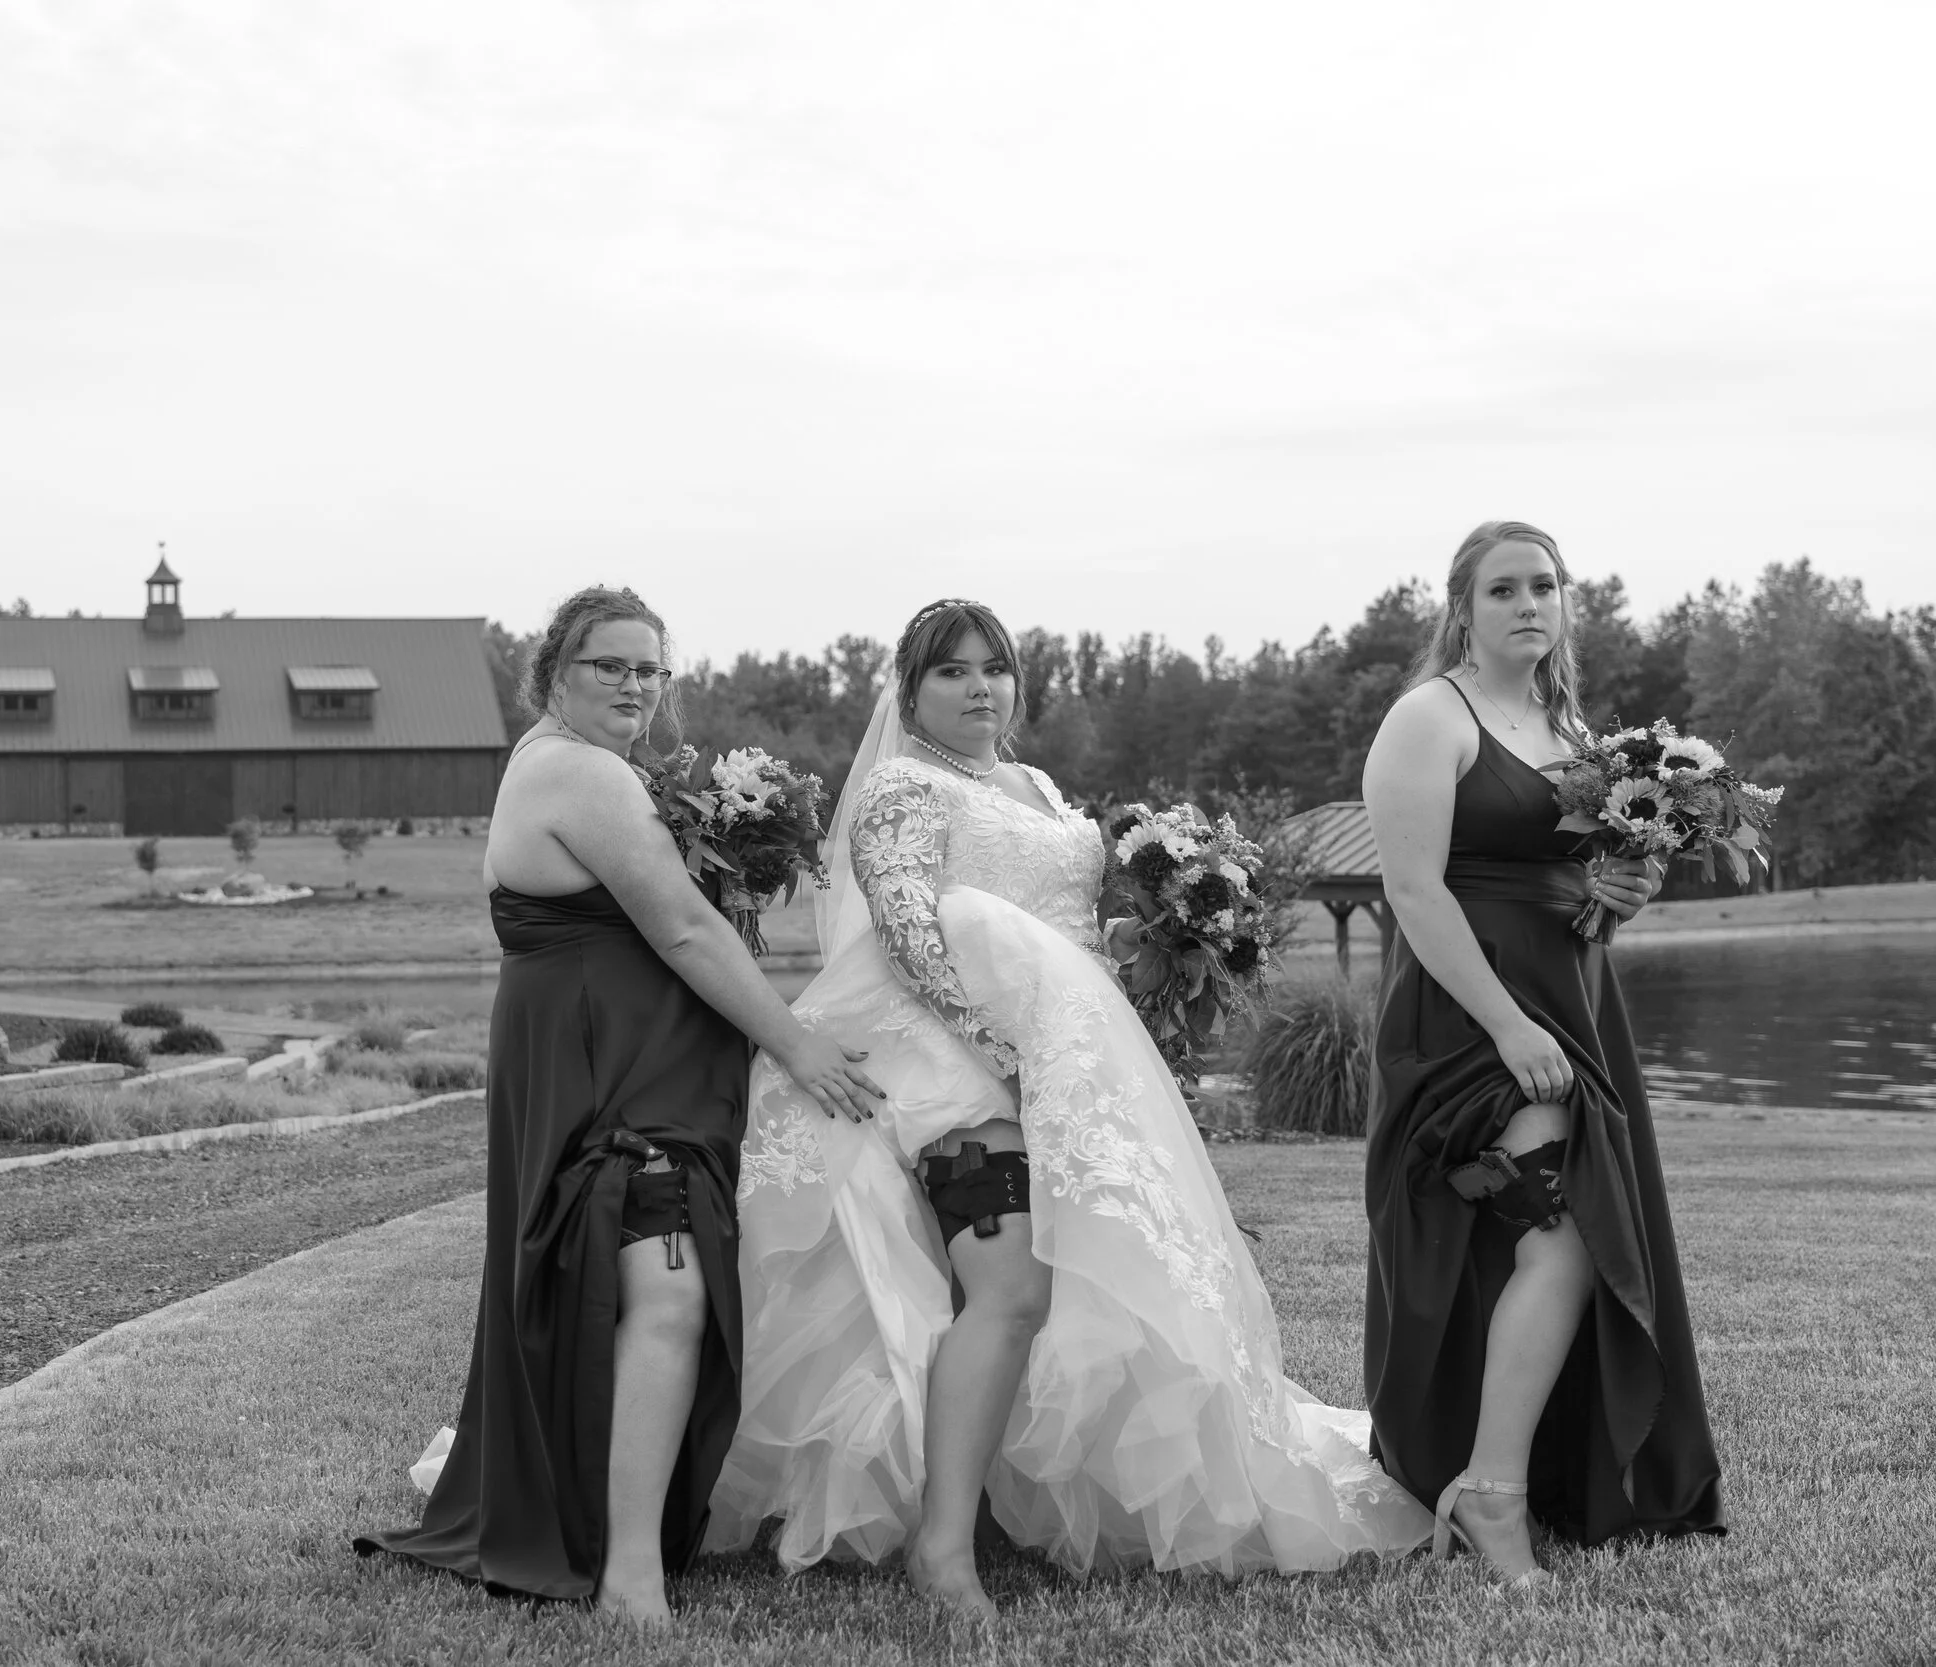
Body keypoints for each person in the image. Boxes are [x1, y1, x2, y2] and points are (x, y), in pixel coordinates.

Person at [711, 599, 1433, 1624]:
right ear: (908, 691)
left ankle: (993, 1506)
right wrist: (1008, 1060)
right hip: (946, 1068)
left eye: (994, 669)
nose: (979, 688)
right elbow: (913, 935)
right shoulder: (899, 786)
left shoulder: (1037, 785)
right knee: (1006, 1284)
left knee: (1068, 1284)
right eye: (951, 672)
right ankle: (943, 1548)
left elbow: (1064, 934)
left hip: (1061, 1059)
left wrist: (1153, 961)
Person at [357, 585, 883, 1625]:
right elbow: (683, 930)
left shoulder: (574, 764)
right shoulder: (576, 771)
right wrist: (797, 1043)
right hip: (619, 1074)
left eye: (651, 669)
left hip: (621, 1062)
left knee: (628, 1284)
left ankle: (608, 1530)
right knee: (667, 1287)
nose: (635, 686)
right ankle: (632, 1573)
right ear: (554, 670)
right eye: (611, 665)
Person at [1361, 521, 1725, 1585]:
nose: (1528, 603)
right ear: (1461, 609)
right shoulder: (1430, 716)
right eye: (1502, 588)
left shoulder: (1570, 729)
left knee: (1556, 1234)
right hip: (1466, 1013)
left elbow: (1578, 895)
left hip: (1570, 1001)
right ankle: (1490, 1493)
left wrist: (1624, 893)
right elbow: (1415, 891)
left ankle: (1506, 1479)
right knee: (1560, 1231)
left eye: (1545, 585)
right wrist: (1507, 1024)